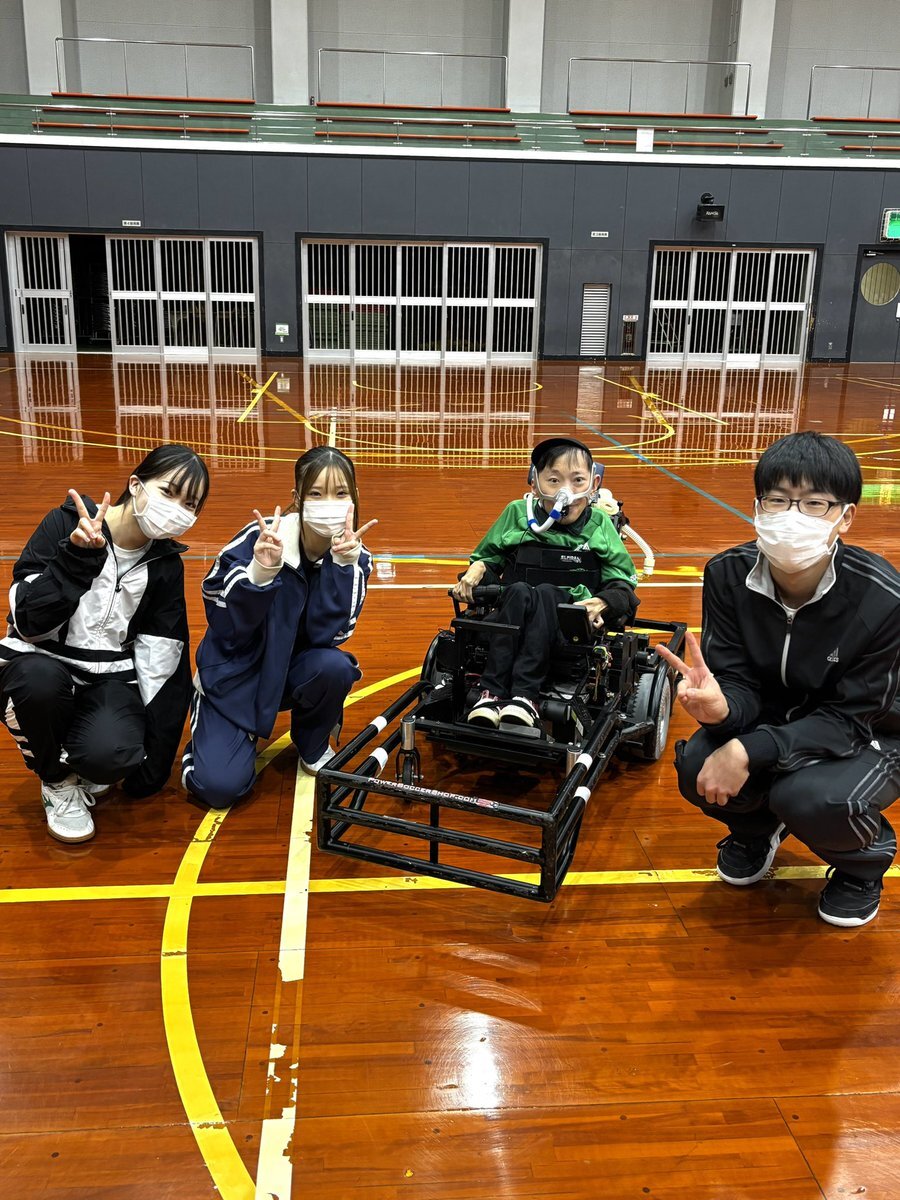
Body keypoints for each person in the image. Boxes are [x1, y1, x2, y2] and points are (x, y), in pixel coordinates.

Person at [658, 431, 900, 928]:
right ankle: (757, 829)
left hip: (872, 728)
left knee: (811, 797)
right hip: (778, 715)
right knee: (696, 766)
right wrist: (723, 709)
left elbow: (851, 718)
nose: (793, 516)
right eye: (779, 500)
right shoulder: (726, 574)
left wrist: (750, 749)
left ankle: (863, 866)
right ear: (757, 508)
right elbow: (738, 680)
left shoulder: (883, 597)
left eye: (814, 503)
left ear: (845, 517)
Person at [0, 443, 210, 844]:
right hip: (39, 661)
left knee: (113, 756)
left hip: (106, 676)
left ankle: (82, 752)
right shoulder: (64, 524)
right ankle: (56, 780)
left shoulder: (164, 564)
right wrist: (76, 560)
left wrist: (154, 766)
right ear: (136, 484)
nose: (177, 509)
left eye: (190, 504)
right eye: (168, 492)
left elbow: (164, 656)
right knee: (37, 683)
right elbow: (27, 621)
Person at [182, 445, 375, 809]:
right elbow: (222, 620)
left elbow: (331, 635)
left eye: (340, 493)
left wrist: (341, 568)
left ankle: (312, 742)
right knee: (219, 788)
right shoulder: (261, 539)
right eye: (316, 493)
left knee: (334, 667)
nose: (329, 503)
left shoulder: (355, 557)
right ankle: (210, 733)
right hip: (237, 676)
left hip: (291, 672)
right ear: (297, 498)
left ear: (354, 497)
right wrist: (260, 574)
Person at [451, 436, 639, 729]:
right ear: (534, 483)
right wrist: (478, 567)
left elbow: (623, 583)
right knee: (520, 590)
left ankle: (524, 697)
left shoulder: (600, 525)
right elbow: (488, 559)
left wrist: (603, 602)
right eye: (553, 480)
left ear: (594, 484)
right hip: (513, 612)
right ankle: (490, 694)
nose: (566, 492)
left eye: (578, 480)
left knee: (548, 593)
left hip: (569, 625)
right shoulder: (517, 513)